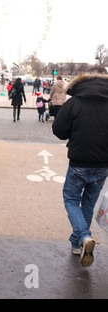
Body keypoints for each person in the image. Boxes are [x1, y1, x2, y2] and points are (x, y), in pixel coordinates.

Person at [52, 66, 108, 268]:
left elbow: (59, 130)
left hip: (79, 161)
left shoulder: (75, 102)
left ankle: (83, 236)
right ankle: (78, 244)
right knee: (88, 203)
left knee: (71, 199)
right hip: (103, 164)